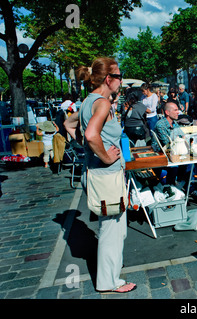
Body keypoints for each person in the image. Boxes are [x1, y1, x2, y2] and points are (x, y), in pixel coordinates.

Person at [63, 57, 136, 294]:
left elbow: (68, 124)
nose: (121, 81)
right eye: (119, 76)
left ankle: (111, 271)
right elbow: (92, 135)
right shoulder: (102, 103)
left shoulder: (88, 101)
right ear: (109, 79)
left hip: (99, 174)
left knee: (116, 227)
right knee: (111, 230)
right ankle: (108, 281)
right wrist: (105, 156)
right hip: (106, 175)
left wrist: (88, 149)